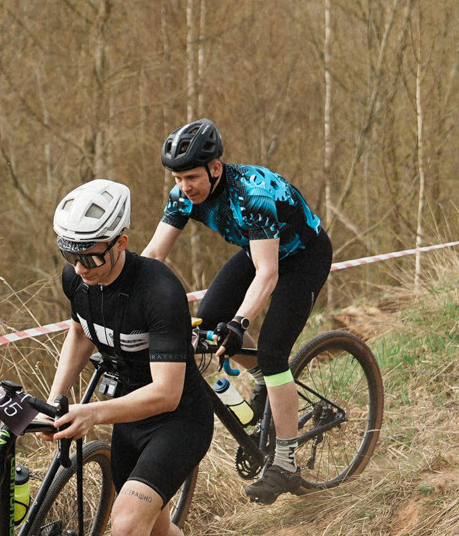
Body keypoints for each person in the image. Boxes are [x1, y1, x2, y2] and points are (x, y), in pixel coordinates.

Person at [44, 179, 224, 536]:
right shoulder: (77, 277)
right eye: (71, 256)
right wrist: (58, 396)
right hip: (128, 416)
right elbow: (80, 330)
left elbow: (167, 393)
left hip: (177, 420)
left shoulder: (160, 291)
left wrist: (92, 413)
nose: (81, 267)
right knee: (151, 524)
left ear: (121, 240)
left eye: (93, 256)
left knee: (125, 525)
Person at [142, 120, 332, 502]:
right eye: (178, 178)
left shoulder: (253, 194)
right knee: (206, 324)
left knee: (275, 352)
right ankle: (262, 376)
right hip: (257, 249)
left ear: (215, 168)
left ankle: (286, 463)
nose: (185, 187)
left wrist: (240, 321)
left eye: (192, 177)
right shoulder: (182, 196)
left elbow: (268, 274)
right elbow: (153, 256)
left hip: (302, 259)